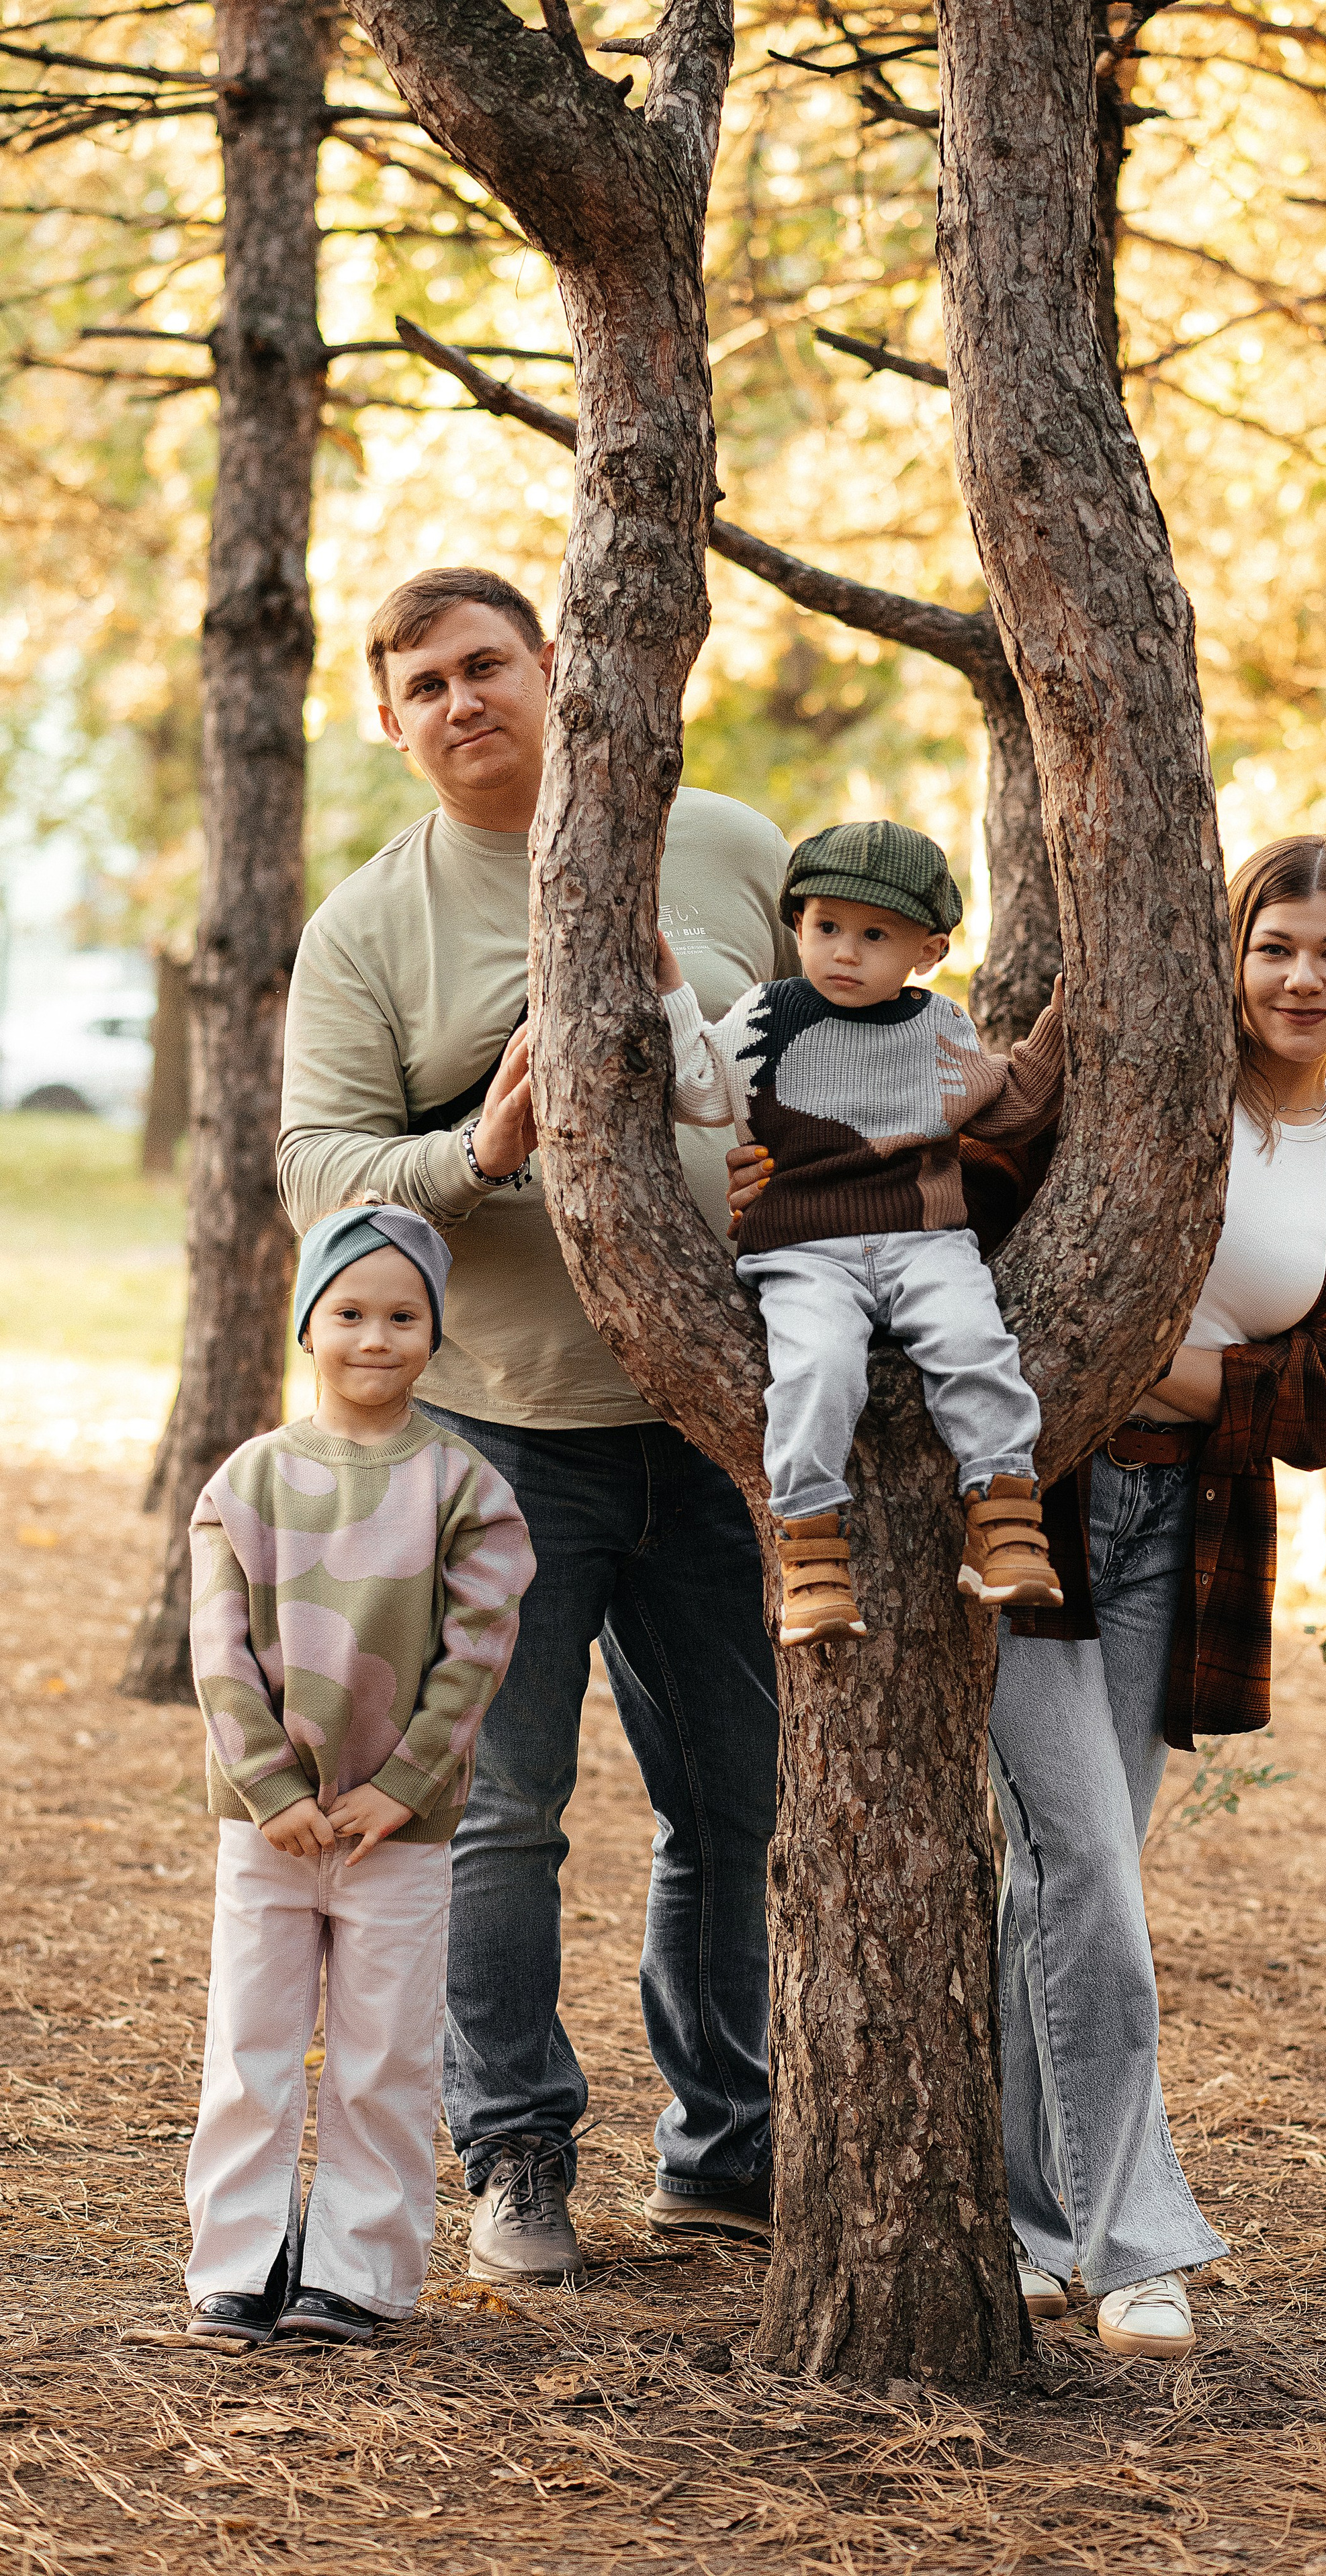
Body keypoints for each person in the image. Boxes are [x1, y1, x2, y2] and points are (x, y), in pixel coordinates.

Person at [726, 828, 1326, 2358]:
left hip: (1200, 1546)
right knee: (1087, 1871)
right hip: (1041, 1524)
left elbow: (1315, 1410)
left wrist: (1151, 1359)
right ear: (1228, 959)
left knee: (1065, 1883)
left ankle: (1036, 2228)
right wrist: (789, 1165)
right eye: (1273, 944)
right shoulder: (1142, 1105)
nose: (1300, 975)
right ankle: (1134, 2239)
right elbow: (971, 1218)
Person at [277, 566, 793, 2288]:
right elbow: (316, 1166)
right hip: (500, 1431)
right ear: (387, 720)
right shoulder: (370, 925)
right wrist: (472, 1157)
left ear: (557, 667)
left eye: (483, 662)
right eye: (418, 683)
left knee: (737, 1803)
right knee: (504, 1810)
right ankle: (518, 2157)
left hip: (720, 1411)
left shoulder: (726, 843)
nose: (457, 699)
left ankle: (727, 2150)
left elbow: (830, 1054)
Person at [183, 1205, 534, 2347]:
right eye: (348, 1312)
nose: (374, 1337)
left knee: (385, 2054)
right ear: (306, 1325)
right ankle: (237, 2266)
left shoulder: (465, 1487)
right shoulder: (248, 1483)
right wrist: (272, 1793)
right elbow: (220, 1656)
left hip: (402, 1830)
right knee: (251, 2048)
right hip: (268, 1829)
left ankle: (362, 2273)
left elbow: (476, 1653)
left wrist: (406, 1786)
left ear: (437, 1333)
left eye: (402, 1315)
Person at [658, 818, 1067, 1646]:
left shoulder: (939, 1026)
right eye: (825, 927)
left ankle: (1002, 1512)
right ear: (798, 927)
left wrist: (1068, 1020)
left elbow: (1010, 1106)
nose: (844, 951)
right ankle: (810, 1546)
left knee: (974, 1340)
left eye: (874, 935)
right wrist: (671, 995)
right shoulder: (768, 1012)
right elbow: (700, 1091)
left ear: (928, 950)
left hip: (925, 1237)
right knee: (818, 1366)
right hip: (803, 1252)